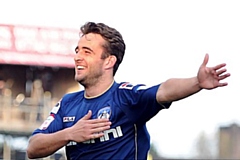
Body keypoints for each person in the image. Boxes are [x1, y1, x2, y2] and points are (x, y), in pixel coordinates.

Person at [27, 22, 230, 160]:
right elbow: (33, 147)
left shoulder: (125, 97)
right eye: (77, 51)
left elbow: (164, 91)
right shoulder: (68, 103)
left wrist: (196, 82)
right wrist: (70, 133)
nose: (77, 57)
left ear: (109, 61)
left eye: (87, 52)